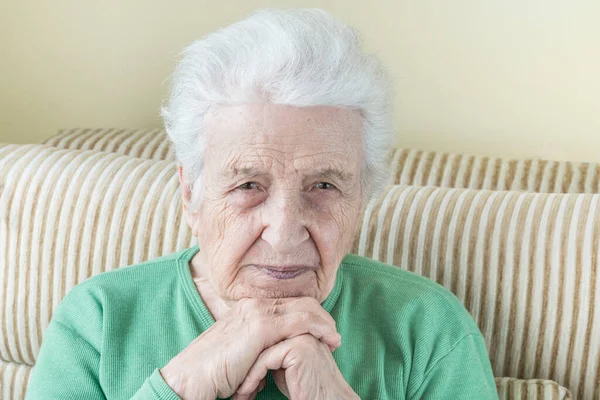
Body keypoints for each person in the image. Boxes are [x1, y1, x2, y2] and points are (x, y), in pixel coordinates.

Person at [26, 8, 498, 400]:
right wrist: (182, 386)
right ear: (191, 196)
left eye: (324, 187)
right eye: (249, 185)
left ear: (362, 200)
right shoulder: (98, 319)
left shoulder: (426, 327)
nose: (284, 230)